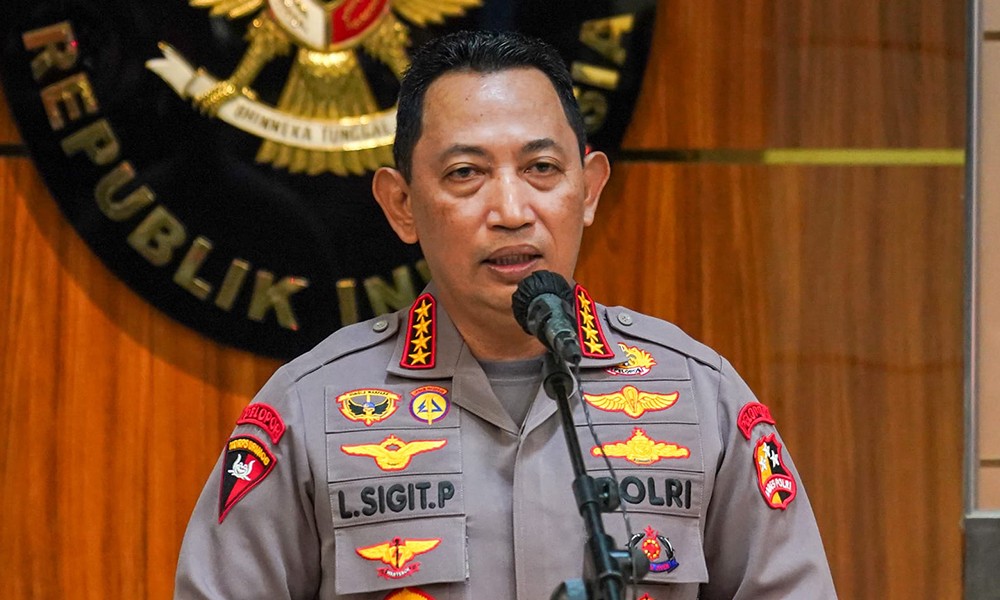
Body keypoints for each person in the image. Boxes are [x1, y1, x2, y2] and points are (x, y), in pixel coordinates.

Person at [174, 30, 837, 599]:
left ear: (589, 189)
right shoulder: (310, 408)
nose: (512, 211)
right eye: (466, 173)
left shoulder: (699, 395)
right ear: (402, 204)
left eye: (541, 167)